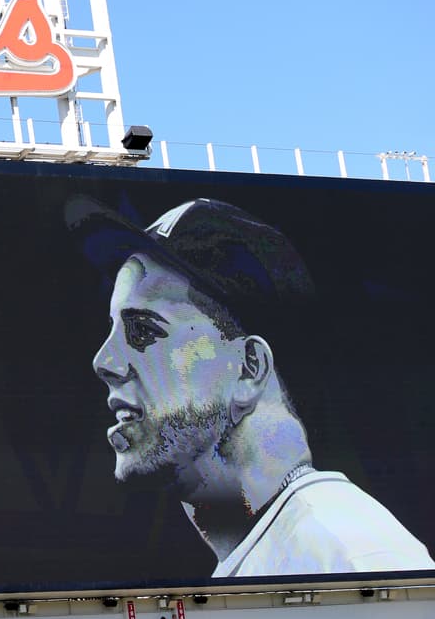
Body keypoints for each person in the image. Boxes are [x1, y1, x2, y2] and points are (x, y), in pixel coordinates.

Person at [70, 196, 435, 577]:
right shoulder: (280, 547)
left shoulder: (351, 553)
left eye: (144, 330)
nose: (104, 361)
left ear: (249, 368)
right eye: (112, 329)